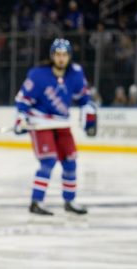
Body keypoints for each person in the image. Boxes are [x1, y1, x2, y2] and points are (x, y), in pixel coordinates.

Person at [14, 38, 96, 216]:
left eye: (64, 55)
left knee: (70, 161)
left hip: (62, 123)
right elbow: (23, 99)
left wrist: (89, 114)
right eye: (58, 54)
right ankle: (36, 202)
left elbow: (83, 99)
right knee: (48, 161)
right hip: (41, 123)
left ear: (69, 56)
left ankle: (70, 201)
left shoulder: (75, 73)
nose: (61, 58)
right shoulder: (38, 75)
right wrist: (21, 117)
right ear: (52, 56)